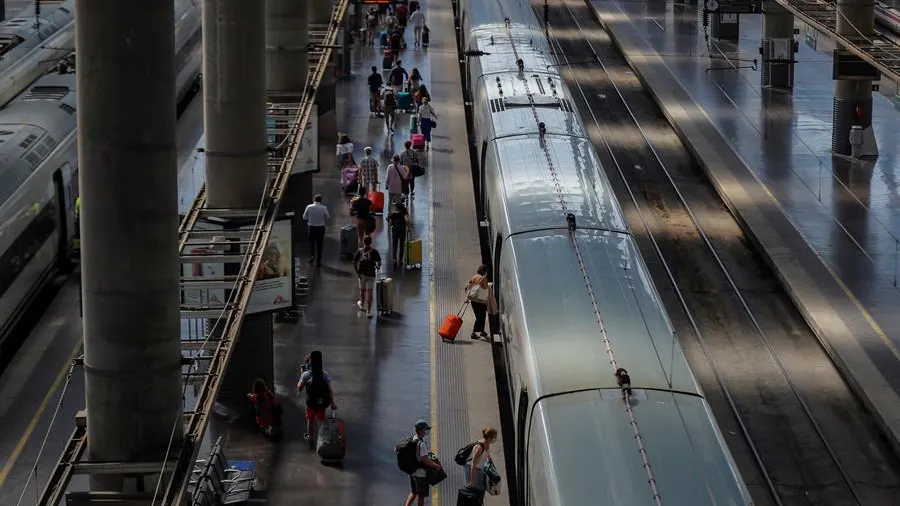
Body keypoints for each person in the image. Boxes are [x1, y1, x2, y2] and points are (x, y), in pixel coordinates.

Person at [296, 351, 337, 445]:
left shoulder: (306, 374)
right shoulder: (324, 374)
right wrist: (333, 403)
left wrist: (301, 374)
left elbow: (299, 388)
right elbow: (329, 390)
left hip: (310, 403)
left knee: (310, 421)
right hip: (322, 402)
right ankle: (324, 439)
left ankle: (311, 439)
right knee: (322, 420)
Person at [404, 420, 442, 506]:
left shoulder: (413, 438)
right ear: (421, 430)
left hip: (412, 472)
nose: (426, 431)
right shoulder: (422, 444)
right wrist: (436, 466)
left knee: (414, 492)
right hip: (420, 475)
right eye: (425, 429)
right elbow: (425, 461)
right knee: (421, 496)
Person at [465, 427, 499, 505]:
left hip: (479, 470)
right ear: (489, 438)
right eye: (494, 437)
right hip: (473, 470)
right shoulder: (479, 447)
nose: (495, 439)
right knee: (476, 491)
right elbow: (473, 465)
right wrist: (472, 483)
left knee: (481, 490)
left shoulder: (487, 444)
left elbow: (486, 455)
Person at [353, 235, 382, 318]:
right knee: (369, 292)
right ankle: (369, 311)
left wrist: (357, 272)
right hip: (371, 275)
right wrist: (377, 267)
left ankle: (361, 303)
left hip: (362, 275)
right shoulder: (375, 251)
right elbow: (379, 263)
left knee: (362, 291)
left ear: (363, 242)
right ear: (371, 242)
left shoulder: (359, 251)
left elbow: (354, 262)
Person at [302, 194, 329, 266]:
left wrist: (310, 219)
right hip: (320, 228)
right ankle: (319, 260)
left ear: (314, 199)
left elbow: (304, 217)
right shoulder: (324, 208)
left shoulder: (309, 207)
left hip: (311, 227)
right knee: (320, 244)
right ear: (321, 200)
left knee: (312, 243)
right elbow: (327, 217)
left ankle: (312, 256)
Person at [465, 264, 490, 339]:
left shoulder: (474, 277)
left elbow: (467, 287)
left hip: (473, 300)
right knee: (480, 316)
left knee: (479, 316)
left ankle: (482, 331)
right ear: (485, 271)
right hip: (480, 300)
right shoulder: (484, 278)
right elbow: (485, 289)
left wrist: (468, 295)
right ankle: (473, 333)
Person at [388, 201, 411, 268]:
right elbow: (407, 220)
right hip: (402, 231)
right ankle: (400, 260)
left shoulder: (393, 214)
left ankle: (394, 258)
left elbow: (390, 223)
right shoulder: (404, 212)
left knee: (394, 245)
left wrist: (391, 225)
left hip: (395, 231)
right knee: (401, 246)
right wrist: (409, 228)